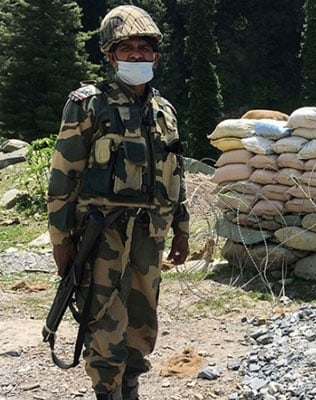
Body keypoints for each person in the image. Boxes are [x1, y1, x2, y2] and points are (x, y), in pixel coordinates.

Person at [47, 5, 189, 400]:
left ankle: (131, 387)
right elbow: (63, 177)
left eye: (145, 48)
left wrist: (181, 231)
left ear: (156, 55)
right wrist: (62, 240)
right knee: (105, 318)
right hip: (102, 235)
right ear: (111, 56)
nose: (138, 55)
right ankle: (107, 393)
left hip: (150, 235)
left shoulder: (165, 112)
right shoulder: (89, 104)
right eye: (128, 49)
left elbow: (176, 175)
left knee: (142, 319)